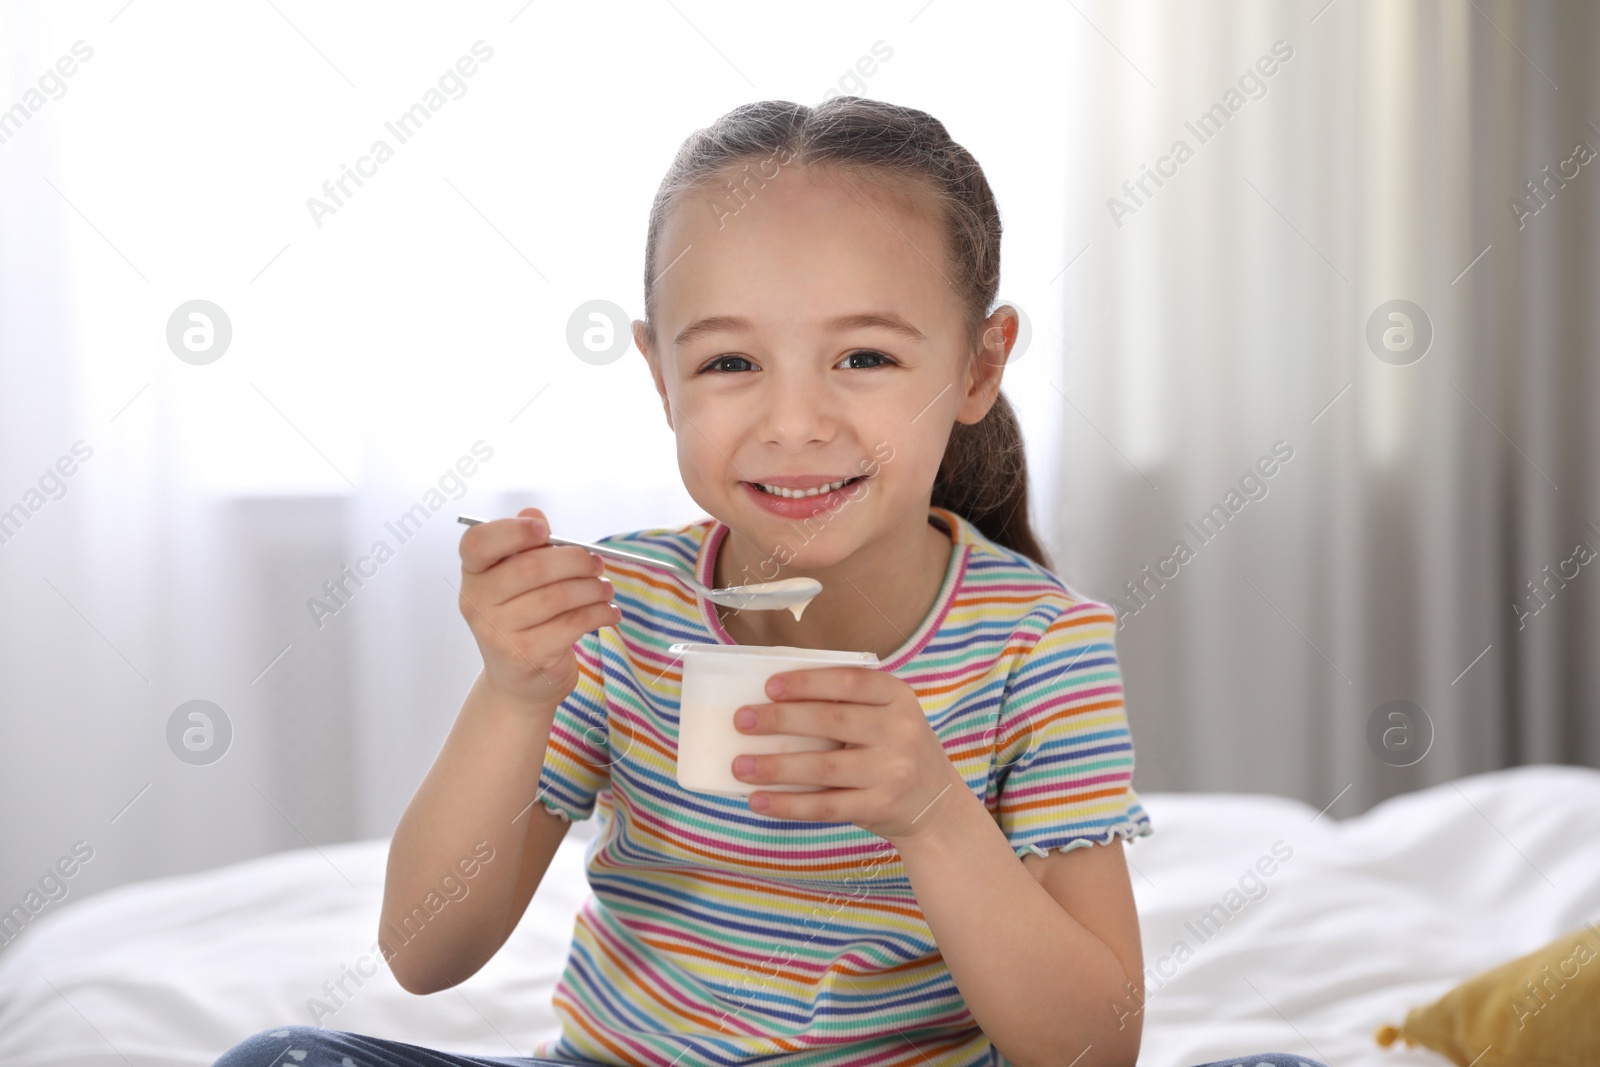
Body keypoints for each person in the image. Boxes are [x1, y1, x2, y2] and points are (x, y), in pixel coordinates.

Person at [214, 98, 1329, 1067]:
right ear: (661, 375)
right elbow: (424, 952)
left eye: (865, 357)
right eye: (731, 362)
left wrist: (933, 813)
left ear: (978, 365)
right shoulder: (622, 609)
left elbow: (1089, 1046)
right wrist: (513, 695)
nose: (793, 422)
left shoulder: (1037, 644)